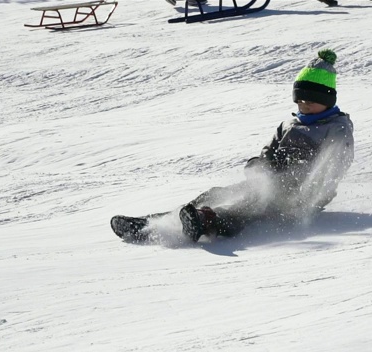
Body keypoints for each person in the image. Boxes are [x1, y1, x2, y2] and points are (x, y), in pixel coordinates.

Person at [111, 49, 354, 243]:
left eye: (311, 101)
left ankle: (208, 223)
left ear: (327, 99)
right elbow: (268, 151)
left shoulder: (337, 127)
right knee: (215, 193)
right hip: (272, 182)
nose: (304, 105)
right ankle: (154, 223)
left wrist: (307, 195)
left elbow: (336, 164)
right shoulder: (290, 123)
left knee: (251, 205)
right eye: (300, 100)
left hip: (298, 195)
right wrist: (260, 165)